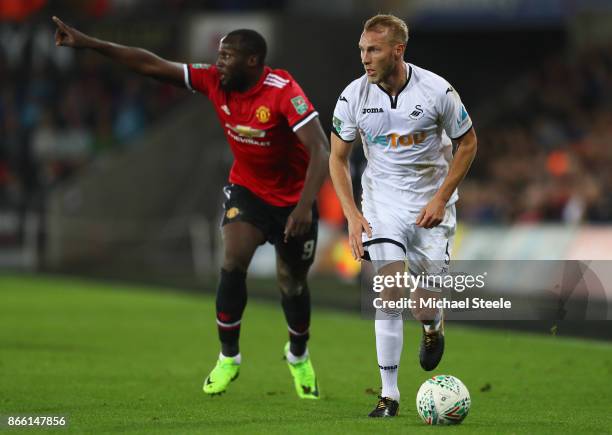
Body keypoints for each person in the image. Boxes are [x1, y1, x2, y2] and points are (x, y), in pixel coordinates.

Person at [53, 16, 329, 400]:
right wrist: (92, 43)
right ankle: (228, 356)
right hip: (247, 190)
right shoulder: (214, 82)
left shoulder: (283, 91)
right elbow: (151, 64)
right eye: (218, 55)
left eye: (227, 56)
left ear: (252, 61)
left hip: (293, 201)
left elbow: (320, 148)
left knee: (292, 283)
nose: (218, 62)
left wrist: (303, 208)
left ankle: (298, 355)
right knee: (232, 261)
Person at [329, 14, 477, 417]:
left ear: (398, 50)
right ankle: (389, 395)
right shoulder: (353, 97)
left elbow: (468, 144)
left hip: (431, 206)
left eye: (373, 50)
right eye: (361, 50)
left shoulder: (436, 91)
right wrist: (352, 214)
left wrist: (442, 198)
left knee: (423, 305)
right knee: (389, 290)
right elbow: (338, 158)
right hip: (383, 204)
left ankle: (432, 326)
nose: (364, 58)